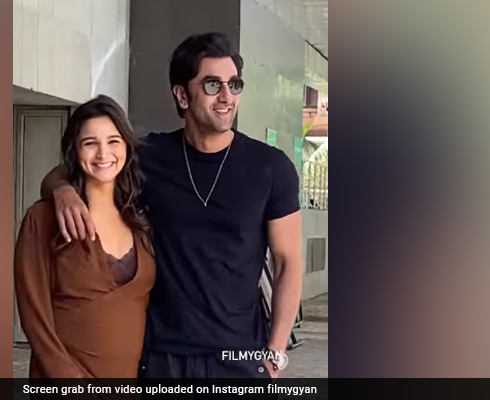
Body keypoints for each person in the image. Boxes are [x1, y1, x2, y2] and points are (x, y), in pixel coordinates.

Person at [40, 32, 303, 379]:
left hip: (241, 357)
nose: (227, 96)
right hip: (162, 357)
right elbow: (64, 173)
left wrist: (277, 350)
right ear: (181, 95)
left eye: (234, 84)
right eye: (212, 85)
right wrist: (63, 192)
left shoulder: (271, 167)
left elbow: (288, 261)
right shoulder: (147, 157)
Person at [14, 94, 155, 379]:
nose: (103, 154)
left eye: (113, 141)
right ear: (74, 150)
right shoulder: (44, 220)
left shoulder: (139, 220)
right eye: (90, 143)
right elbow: (35, 318)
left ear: (126, 146)